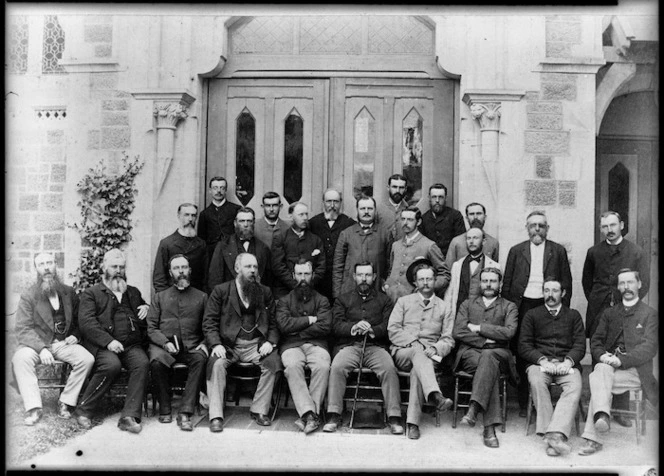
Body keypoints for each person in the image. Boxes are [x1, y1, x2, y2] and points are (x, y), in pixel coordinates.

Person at [578, 269, 658, 456]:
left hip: (636, 372)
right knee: (601, 372)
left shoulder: (650, 314)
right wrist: (603, 356)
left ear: (639, 284)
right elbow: (596, 341)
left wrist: (619, 360)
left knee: (598, 380)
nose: (626, 287)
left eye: (630, 282)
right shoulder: (609, 313)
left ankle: (595, 432)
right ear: (618, 287)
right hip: (608, 369)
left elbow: (649, 348)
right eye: (622, 283)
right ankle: (601, 419)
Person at [11, 252, 94, 426]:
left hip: (63, 343)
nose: (46, 267)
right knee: (20, 358)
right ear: (36, 269)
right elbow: (22, 328)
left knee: (86, 359)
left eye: (49, 262)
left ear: (56, 265)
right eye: (41, 264)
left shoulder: (68, 292)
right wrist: (41, 348)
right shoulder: (29, 295)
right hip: (37, 344)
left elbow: (81, 320)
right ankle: (34, 408)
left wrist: (75, 335)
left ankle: (65, 401)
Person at [502, 210, 573, 416]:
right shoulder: (517, 250)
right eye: (533, 225)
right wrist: (510, 310)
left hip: (547, 305)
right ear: (527, 228)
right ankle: (526, 403)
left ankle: (547, 401)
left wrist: (562, 312)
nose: (537, 229)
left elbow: (566, 282)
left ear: (547, 228)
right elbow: (507, 283)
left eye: (541, 225)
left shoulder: (557, 250)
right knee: (525, 352)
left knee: (547, 347)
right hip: (523, 305)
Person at [203, 253, 282, 432]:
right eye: (248, 267)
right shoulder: (221, 291)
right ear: (237, 268)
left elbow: (274, 322)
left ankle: (259, 409)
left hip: (256, 345)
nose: (253, 271)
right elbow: (209, 322)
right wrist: (216, 344)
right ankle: (216, 415)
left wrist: (271, 341)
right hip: (229, 345)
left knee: (273, 364)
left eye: (255, 267)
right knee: (215, 365)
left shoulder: (265, 291)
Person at [75, 248, 151, 433]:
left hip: (131, 345)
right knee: (111, 366)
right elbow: (87, 323)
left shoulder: (132, 292)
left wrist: (147, 308)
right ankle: (84, 410)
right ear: (104, 267)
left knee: (141, 363)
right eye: (114, 266)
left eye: (121, 267)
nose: (118, 270)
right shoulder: (92, 293)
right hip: (103, 345)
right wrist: (108, 341)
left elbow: (143, 318)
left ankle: (128, 416)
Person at [323, 262, 404, 435]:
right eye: (360, 275)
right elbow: (336, 325)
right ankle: (333, 414)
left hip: (375, 346)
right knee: (337, 367)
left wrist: (374, 330)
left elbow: (389, 325)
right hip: (350, 346)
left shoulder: (384, 300)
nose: (364, 279)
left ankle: (394, 416)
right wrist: (353, 327)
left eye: (368, 275)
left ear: (374, 277)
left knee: (389, 369)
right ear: (354, 277)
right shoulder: (343, 299)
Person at [518, 277, 585, 457]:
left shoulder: (573, 315)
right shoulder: (532, 315)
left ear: (562, 293)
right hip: (540, 364)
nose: (550, 295)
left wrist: (568, 362)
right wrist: (542, 360)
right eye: (546, 290)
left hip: (566, 364)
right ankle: (555, 436)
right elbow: (524, 345)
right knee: (537, 382)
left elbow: (580, 345)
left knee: (575, 385)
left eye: (555, 291)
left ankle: (553, 435)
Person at [388, 260, 455, 439]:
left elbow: (448, 338)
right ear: (415, 283)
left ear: (435, 281)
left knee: (418, 370)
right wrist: (413, 343)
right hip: (403, 352)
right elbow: (392, 330)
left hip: (429, 357)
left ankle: (412, 423)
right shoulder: (403, 302)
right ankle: (435, 395)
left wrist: (436, 348)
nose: (425, 283)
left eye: (429, 279)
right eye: (421, 279)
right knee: (418, 354)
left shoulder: (443, 306)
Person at [453, 267, 518, 448]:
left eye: (493, 281)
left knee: (489, 359)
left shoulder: (509, 306)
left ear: (500, 284)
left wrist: (479, 328)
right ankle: (489, 428)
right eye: (485, 281)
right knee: (489, 367)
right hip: (470, 354)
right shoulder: (467, 304)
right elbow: (458, 331)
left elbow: (509, 332)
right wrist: (488, 339)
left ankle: (474, 409)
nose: (488, 284)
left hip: (500, 354)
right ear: (480, 283)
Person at [147, 255, 208, 431]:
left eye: (184, 267)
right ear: (170, 272)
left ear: (190, 270)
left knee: (200, 359)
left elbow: (210, 325)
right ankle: (165, 408)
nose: (181, 271)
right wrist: (165, 342)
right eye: (176, 268)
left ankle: (185, 412)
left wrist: (204, 342)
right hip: (165, 347)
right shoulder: (159, 297)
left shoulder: (202, 297)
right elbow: (151, 328)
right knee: (157, 363)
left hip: (192, 345)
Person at [275, 260, 332, 434]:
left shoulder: (322, 300)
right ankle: (311, 414)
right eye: (299, 274)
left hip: (317, 344)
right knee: (292, 366)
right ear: (293, 276)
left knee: (323, 366)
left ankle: (307, 416)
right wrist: (309, 320)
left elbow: (325, 326)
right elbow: (284, 325)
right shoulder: (284, 301)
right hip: (291, 346)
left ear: (312, 275)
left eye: (306, 274)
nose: (303, 278)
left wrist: (297, 331)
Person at [582, 211, 650, 340]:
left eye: (613, 225)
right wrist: (597, 298)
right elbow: (587, 283)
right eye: (605, 227)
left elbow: (644, 283)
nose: (609, 230)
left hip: (626, 308)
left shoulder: (636, 252)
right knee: (598, 348)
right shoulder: (593, 252)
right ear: (601, 229)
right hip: (598, 310)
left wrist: (629, 301)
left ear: (622, 225)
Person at [383, 206, 450, 302]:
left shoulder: (429, 245)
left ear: (418, 222)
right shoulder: (395, 245)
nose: (405, 223)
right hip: (392, 300)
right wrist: (387, 285)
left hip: (415, 302)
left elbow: (445, 275)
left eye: (410, 219)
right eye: (403, 219)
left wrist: (426, 287)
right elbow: (391, 271)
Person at [332, 195, 390, 299]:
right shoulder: (346, 234)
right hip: (350, 289)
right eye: (363, 208)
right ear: (357, 210)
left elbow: (390, 264)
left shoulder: (385, 234)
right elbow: (338, 266)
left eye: (370, 208)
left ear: (375, 210)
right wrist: (337, 295)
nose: (366, 212)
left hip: (376, 289)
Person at [207, 207, 272, 291]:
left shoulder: (263, 248)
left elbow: (268, 281)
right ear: (235, 223)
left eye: (249, 221)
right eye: (242, 221)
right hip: (230, 298)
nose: (246, 225)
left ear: (254, 223)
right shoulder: (223, 246)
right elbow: (215, 279)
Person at [308, 188, 355, 302]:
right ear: (323, 202)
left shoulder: (349, 224)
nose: (332, 205)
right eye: (329, 201)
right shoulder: (313, 223)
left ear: (341, 203)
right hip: (318, 280)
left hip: (341, 278)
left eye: (336, 201)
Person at [271, 202, 326, 299]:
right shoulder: (280, 238)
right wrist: (294, 284)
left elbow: (321, 266)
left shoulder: (315, 240)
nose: (305, 218)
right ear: (291, 216)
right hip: (285, 292)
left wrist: (309, 282)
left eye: (306, 214)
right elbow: (278, 266)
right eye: (301, 215)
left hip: (310, 291)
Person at [153, 203, 207, 294]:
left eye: (193, 215)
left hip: (194, 297)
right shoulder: (167, 243)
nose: (190, 219)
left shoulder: (201, 244)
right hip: (172, 296)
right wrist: (164, 300)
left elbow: (206, 278)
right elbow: (159, 278)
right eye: (186, 215)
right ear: (178, 216)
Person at [444, 227, 500, 314]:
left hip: (482, 314)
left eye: (475, 238)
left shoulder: (494, 266)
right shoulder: (457, 265)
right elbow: (449, 295)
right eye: (468, 238)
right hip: (460, 313)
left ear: (484, 241)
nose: (471, 241)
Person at [197, 176, 242, 259]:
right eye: (215, 188)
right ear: (210, 190)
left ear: (225, 190)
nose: (218, 191)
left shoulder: (236, 209)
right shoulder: (204, 214)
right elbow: (201, 240)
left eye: (222, 188)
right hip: (212, 254)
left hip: (233, 252)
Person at [419, 183, 466, 259]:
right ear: (429, 198)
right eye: (434, 197)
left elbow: (460, 242)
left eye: (440, 197)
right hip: (430, 260)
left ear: (446, 198)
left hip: (451, 259)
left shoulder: (455, 216)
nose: (437, 200)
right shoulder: (423, 218)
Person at [445, 202, 500, 268]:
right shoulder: (456, 242)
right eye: (471, 214)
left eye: (479, 213)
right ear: (467, 218)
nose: (475, 217)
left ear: (485, 217)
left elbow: (495, 270)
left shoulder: (493, 243)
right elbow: (448, 270)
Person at [375, 173, 409, 243]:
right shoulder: (378, 209)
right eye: (394, 187)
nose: (397, 191)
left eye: (401, 188)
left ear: (405, 189)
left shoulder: (410, 210)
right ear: (388, 188)